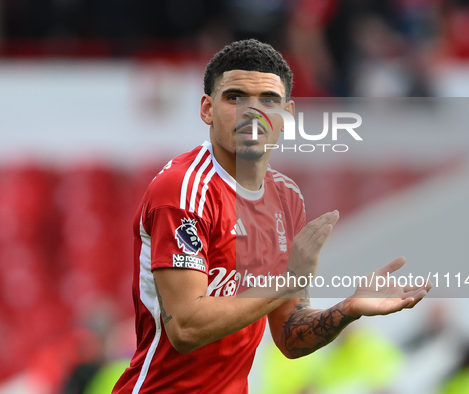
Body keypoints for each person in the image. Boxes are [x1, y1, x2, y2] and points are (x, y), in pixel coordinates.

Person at [112, 39, 432, 394]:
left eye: (268, 100)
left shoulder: (285, 199)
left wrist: (349, 309)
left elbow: (289, 336)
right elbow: (186, 328)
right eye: (235, 97)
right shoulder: (184, 190)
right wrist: (289, 278)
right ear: (206, 109)